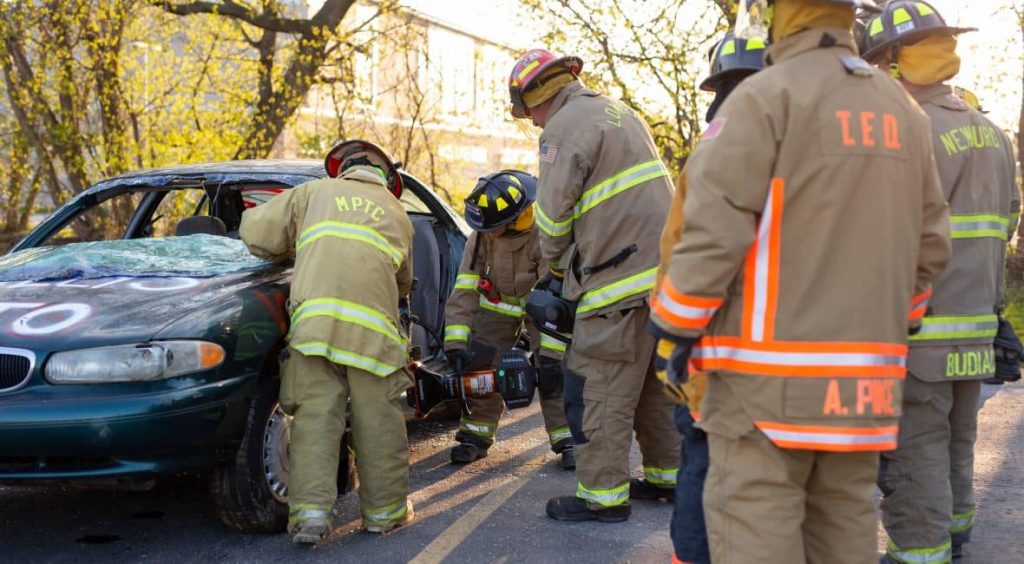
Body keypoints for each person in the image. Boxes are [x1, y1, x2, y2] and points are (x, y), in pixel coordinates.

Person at [649, 0, 953, 562]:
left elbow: (712, 235)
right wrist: (894, 323)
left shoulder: (766, 98)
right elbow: (930, 244)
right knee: (844, 529)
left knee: (756, 531)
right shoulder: (904, 112)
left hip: (762, 392)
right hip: (864, 392)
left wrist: (672, 328)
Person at [859, 3, 1020, 561]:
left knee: (913, 448)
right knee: (956, 436)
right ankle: (954, 530)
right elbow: (1007, 221)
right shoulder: (991, 132)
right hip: (976, 323)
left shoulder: (905, 130)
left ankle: (919, 550)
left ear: (892, 61)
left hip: (919, 327)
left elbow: (883, 236)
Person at [507, 48, 681, 522]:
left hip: (614, 283)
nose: (534, 123)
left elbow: (552, 218)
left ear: (535, 98)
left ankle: (602, 497)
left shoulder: (562, 128)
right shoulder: (621, 113)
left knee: (597, 387)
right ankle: (668, 478)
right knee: (651, 386)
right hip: (663, 281)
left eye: (529, 113)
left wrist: (556, 270)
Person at [239, 140, 415, 544]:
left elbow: (257, 234)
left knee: (314, 421)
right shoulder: (397, 213)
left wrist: (297, 242)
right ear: (387, 178)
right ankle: (384, 515)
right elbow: (404, 282)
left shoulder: (313, 193)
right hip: (373, 337)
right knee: (379, 422)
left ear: (343, 169)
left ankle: (311, 519)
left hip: (314, 331)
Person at [655, 31, 767, 564]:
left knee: (702, 459)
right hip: (795, 364)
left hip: (715, 351)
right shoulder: (810, 145)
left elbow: (686, 252)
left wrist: (672, 339)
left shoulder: (718, 150)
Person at [442, 169, 575, 469]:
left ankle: (567, 439)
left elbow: (554, 297)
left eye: (492, 227)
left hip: (542, 310)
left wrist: (550, 354)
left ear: (513, 219)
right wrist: (455, 344)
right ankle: (475, 436)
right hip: (498, 308)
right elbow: (465, 289)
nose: (486, 232)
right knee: (480, 362)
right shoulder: (482, 236)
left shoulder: (544, 234)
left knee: (555, 368)